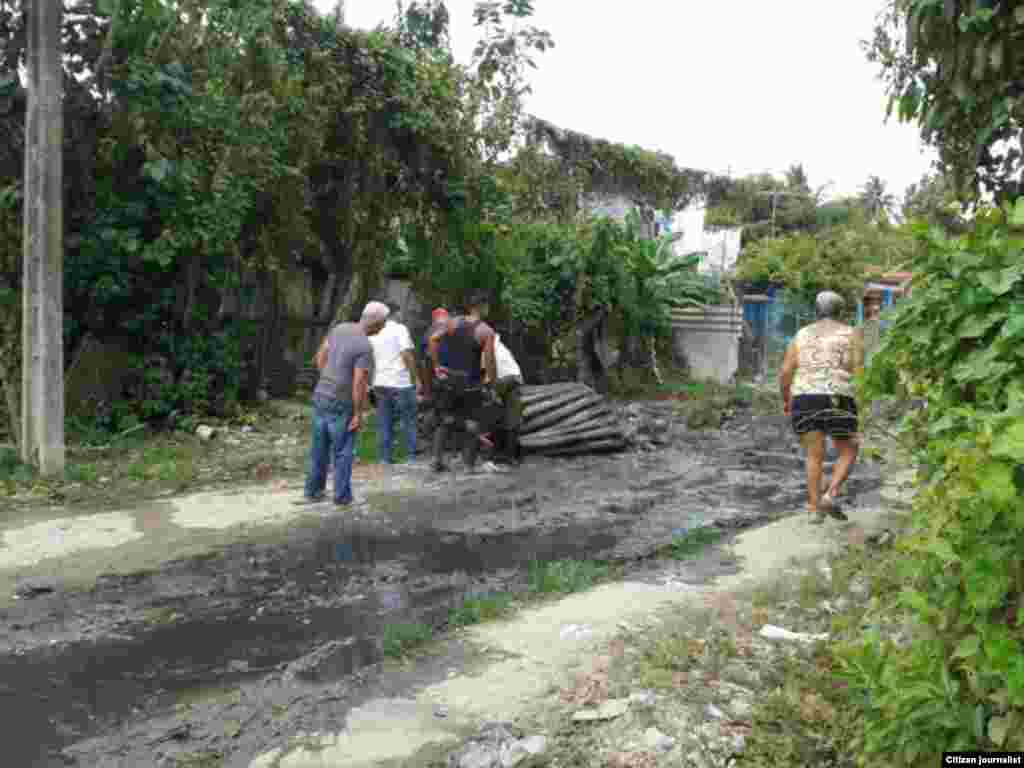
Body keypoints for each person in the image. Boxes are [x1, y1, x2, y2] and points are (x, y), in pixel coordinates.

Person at [779, 291, 865, 523]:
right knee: (849, 449)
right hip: (839, 397)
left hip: (805, 397)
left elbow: (786, 371)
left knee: (813, 455)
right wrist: (862, 401)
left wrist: (786, 399)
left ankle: (815, 510)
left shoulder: (801, 334)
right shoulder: (851, 333)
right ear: (841, 311)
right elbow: (858, 370)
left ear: (816, 311)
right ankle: (831, 494)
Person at [296, 301, 388, 507]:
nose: (383, 327)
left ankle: (313, 492)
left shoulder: (339, 329)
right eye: (383, 323)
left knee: (319, 448)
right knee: (343, 451)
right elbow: (358, 382)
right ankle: (342, 497)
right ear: (376, 322)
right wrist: (358, 413)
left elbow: (320, 356)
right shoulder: (364, 346)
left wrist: (328, 377)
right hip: (342, 402)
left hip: (321, 394)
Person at [428, 292, 497, 473]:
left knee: (445, 420)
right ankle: (468, 466)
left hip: (449, 380)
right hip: (470, 383)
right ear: (480, 307)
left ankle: (436, 460)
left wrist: (436, 366)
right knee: (473, 422)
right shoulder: (485, 331)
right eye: (487, 306)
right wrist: (492, 382)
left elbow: (433, 339)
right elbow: (489, 361)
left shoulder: (452, 323)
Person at [369, 305, 422, 463]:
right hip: (400, 383)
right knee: (409, 420)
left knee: (384, 421)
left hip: (380, 382)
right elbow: (406, 354)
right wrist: (415, 378)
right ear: (395, 313)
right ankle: (411, 457)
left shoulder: (373, 332)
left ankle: (384, 458)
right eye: (400, 312)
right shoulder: (400, 329)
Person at [486, 332, 524, 465]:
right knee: (509, 420)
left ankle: (501, 455)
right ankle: (508, 456)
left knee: (499, 418)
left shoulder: (491, 347)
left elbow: (488, 371)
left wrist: (492, 390)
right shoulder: (499, 346)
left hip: (507, 380)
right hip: (513, 379)